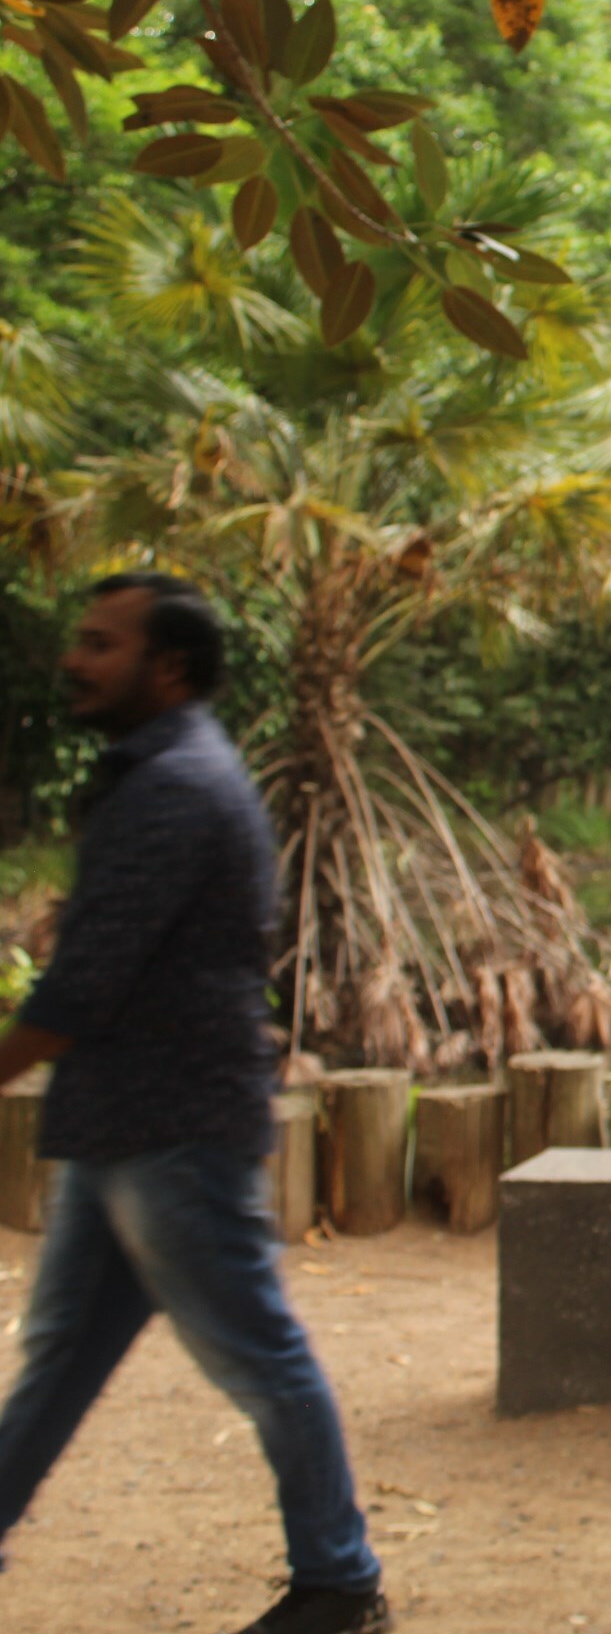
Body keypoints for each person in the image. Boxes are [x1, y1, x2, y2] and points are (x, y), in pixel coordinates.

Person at [0, 573, 389, 1634]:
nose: (75, 659)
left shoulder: (176, 787)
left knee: (259, 1356)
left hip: (173, 1133)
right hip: (124, 1128)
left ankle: (340, 1583)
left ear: (168, 668)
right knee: (61, 1357)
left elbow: (86, 982)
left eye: (101, 644)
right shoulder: (159, 774)